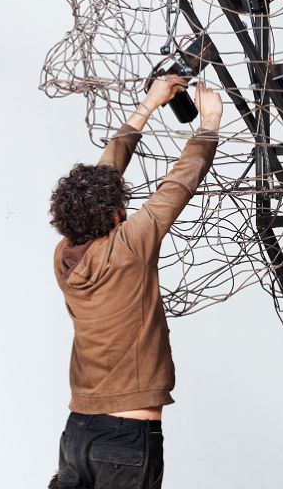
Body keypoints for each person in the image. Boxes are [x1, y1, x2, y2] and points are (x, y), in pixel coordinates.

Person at [48, 76, 222, 489]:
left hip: (77, 434)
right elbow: (178, 185)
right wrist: (210, 122)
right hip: (124, 442)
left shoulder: (64, 255)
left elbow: (99, 180)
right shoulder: (129, 247)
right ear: (113, 216)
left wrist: (149, 104)